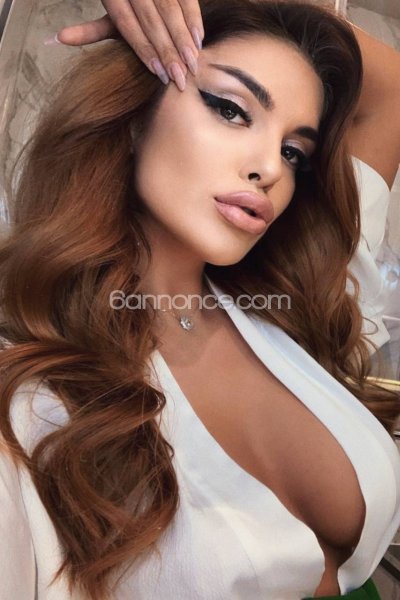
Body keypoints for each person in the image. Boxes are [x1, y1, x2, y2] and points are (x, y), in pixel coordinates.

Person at [0, 1, 400, 599]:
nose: (270, 169)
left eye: (294, 152)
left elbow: (390, 91)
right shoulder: (29, 399)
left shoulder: (302, 304)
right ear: (135, 115)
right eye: (231, 109)